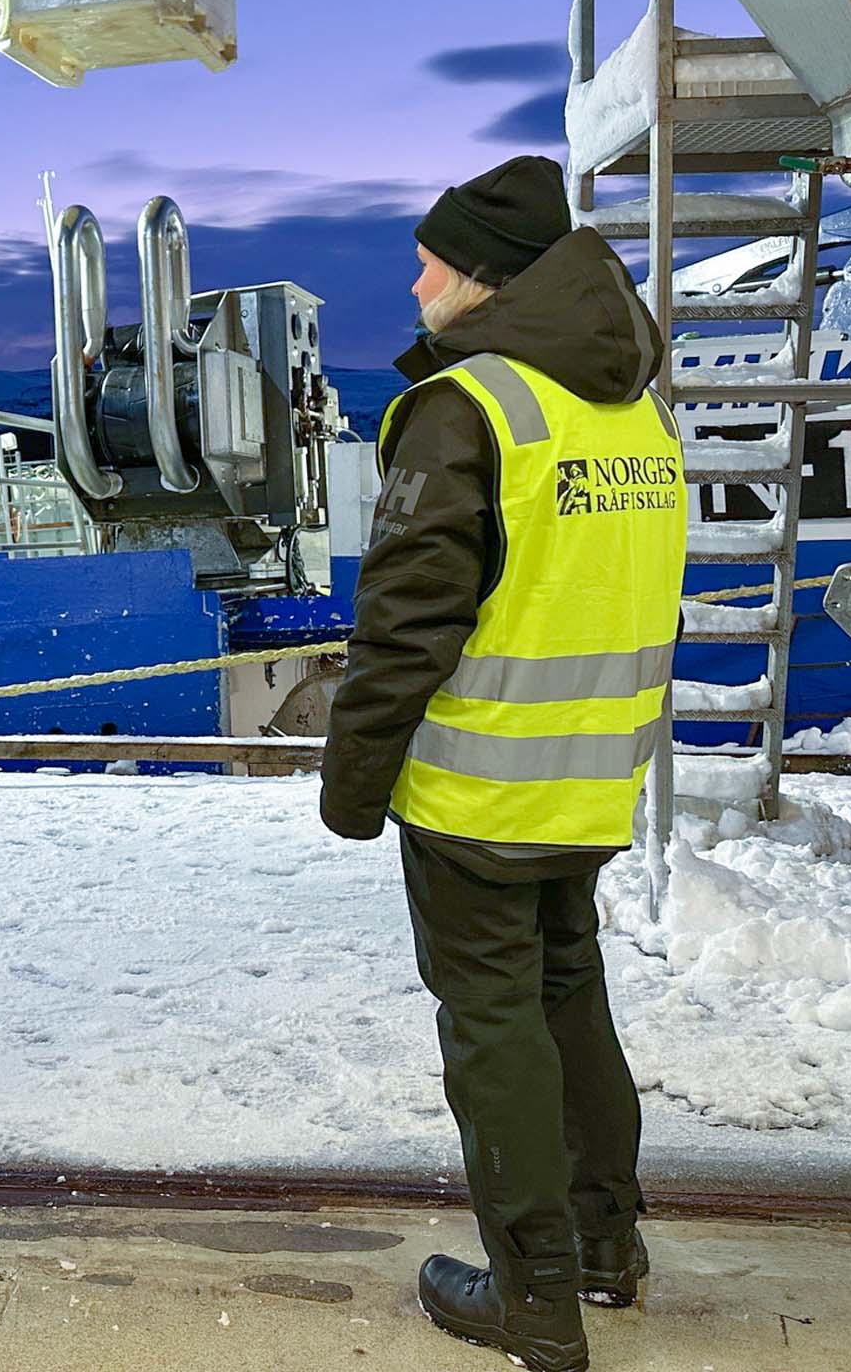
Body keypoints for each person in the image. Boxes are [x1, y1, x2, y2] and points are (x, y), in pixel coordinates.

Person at [318, 154, 686, 1372]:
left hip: (478, 789)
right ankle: (604, 1244)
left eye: (430, 261)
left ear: (482, 276)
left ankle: (533, 1296)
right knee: (568, 997)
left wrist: (352, 783)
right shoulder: (631, 405)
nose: (414, 281)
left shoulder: (467, 407)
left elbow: (406, 625)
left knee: (494, 1028)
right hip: (588, 780)